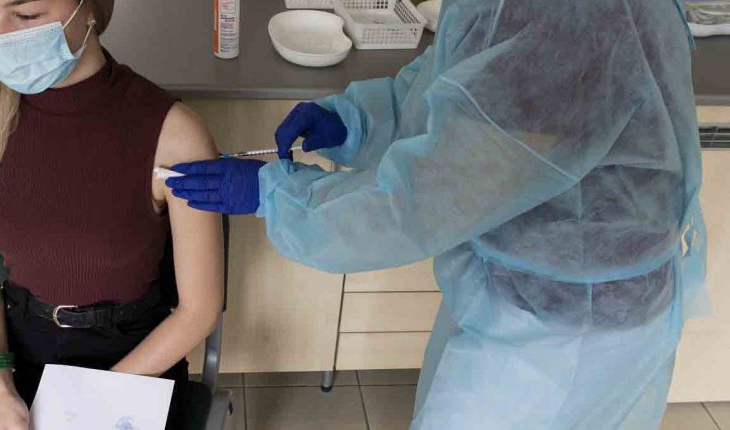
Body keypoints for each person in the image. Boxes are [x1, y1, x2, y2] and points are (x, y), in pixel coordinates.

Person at [166, 0, 708, 428]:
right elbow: (455, 79)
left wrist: (280, 196)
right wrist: (358, 122)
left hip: (567, 335)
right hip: (524, 294)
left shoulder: (567, 20)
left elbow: (419, 204)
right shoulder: (515, 12)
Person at [0, 0, 225, 429]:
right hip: (15, 350)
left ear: (90, 8)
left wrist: (87, 404)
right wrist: (0, 389)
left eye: (26, 16)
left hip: (137, 358)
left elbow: (199, 310)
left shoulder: (174, 135)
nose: (1, 36)